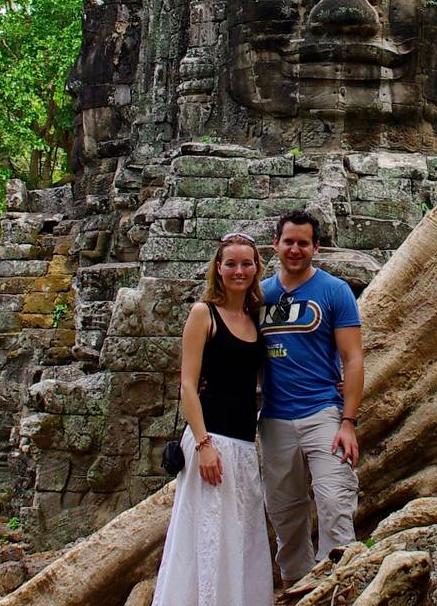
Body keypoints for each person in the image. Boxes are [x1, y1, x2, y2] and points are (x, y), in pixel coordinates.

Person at [151, 233, 272, 606]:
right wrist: (203, 445)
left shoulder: (256, 317)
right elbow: (187, 385)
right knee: (207, 536)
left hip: (242, 444)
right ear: (218, 269)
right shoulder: (204, 313)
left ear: (256, 269)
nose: (239, 271)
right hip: (210, 440)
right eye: (231, 264)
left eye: (246, 264)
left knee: (242, 534)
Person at [257, 209, 364, 584]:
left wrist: (348, 422)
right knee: (285, 513)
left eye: (303, 243)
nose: (295, 249)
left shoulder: (335, 292)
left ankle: (335, 585)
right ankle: (297, 585)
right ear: (276, 245)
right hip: (274, 419)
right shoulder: (260, 295)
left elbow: (352, 358)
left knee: (334, 501)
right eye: (289, 242)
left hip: (323, 414)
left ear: (316, 247)